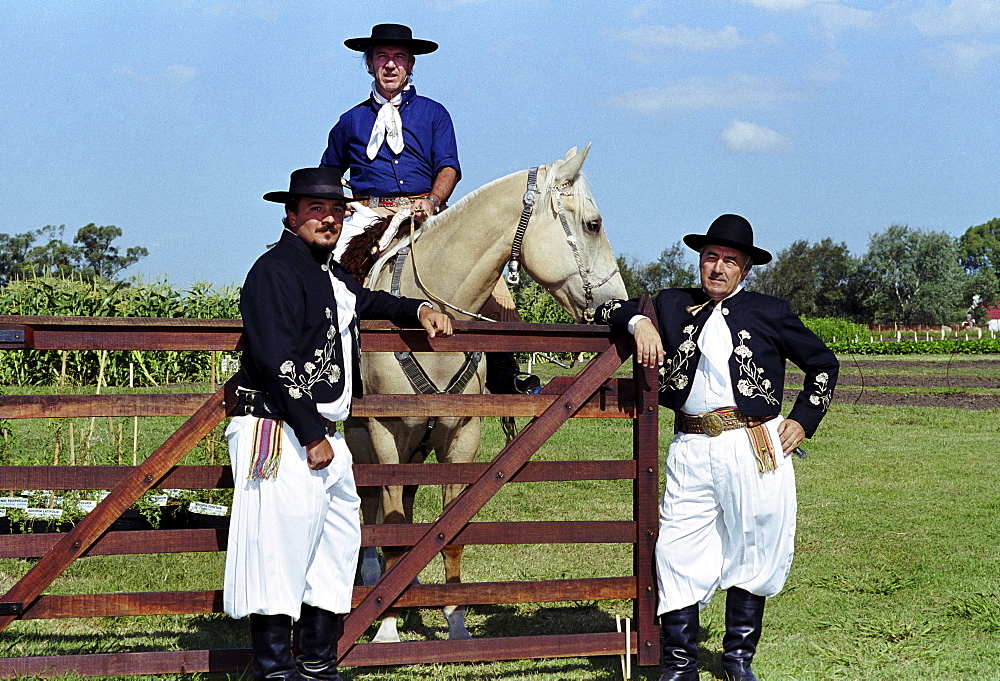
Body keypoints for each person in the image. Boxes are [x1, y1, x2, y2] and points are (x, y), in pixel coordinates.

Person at [224, 167, 452, 681]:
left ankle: (318, 665)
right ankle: (274, 671)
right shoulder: (272, 272)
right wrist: (309, 434)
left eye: (336, 212)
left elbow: (370, 301)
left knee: (335, 546)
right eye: (315, 210)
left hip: (322, 433)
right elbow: (273, 357)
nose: (328, 219)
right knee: (276, 550)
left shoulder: (330, 275)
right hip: (279, 430)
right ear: (291, 214)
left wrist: (417, 308)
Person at [597, 214, 839, 681]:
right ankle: (681, 664)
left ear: (744, 270)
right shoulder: (670, 304)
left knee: (755, 542)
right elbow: (604, 310)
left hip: (755, 445)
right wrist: (639, 323)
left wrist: (804, 420)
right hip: (690, 445)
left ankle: (736, 661)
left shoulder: (771, 311)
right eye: (711, 258)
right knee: (676, 547)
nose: (718, 268)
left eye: (730, 261)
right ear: (700, 261)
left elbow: (823, 365)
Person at [320, 22, 535, 395]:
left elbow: (448, 166)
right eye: (382, 57)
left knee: (490, 278)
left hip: (427, 211)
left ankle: (504, 372)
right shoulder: (349, 121)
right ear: (369, 64)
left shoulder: (435, 114)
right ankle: (334, 366)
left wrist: (433, 200)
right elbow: (326, 175)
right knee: (328, 273)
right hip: (370, 213)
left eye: (399, 58)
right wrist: (342, 205)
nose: (390, 65)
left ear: (411, 64)